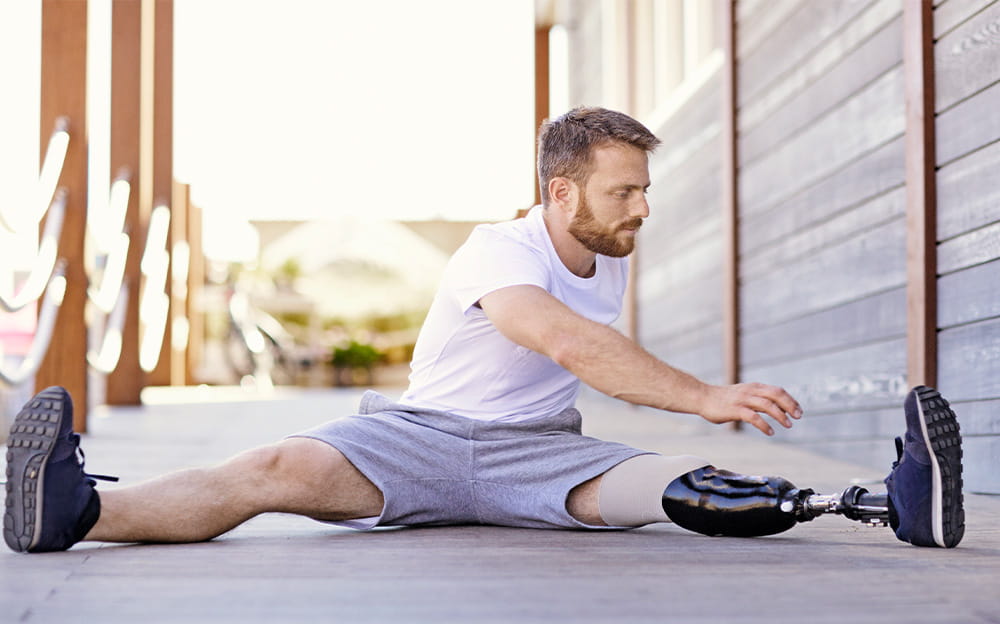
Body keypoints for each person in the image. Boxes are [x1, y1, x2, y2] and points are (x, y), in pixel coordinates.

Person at [4, 107, 964, 554]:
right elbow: (566, 343)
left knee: (684, 488)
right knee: (271, 469)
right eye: (624, 191)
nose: (642, 208)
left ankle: (885, 504)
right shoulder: (495, 251)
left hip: (540, 454)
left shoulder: (612, 248)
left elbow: (579, 363)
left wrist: (692, 419)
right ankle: (75, 510)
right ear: (560, 192)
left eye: (644, 189)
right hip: (418, 441)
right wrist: (705, 394)